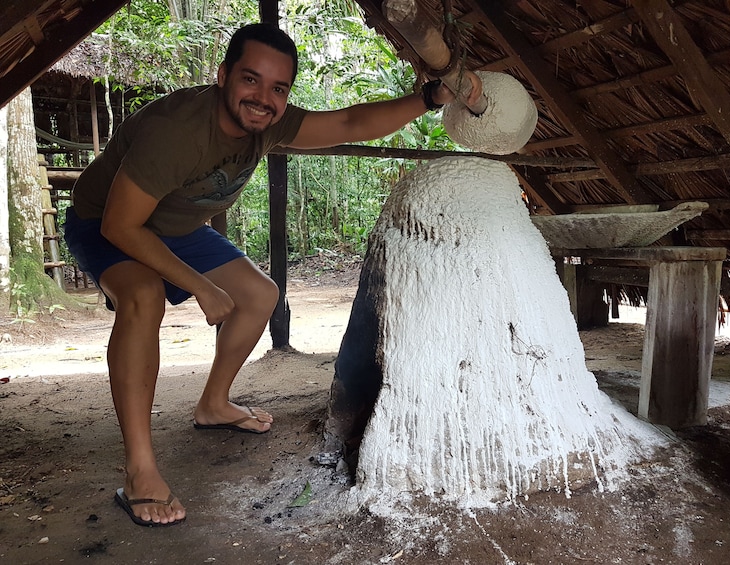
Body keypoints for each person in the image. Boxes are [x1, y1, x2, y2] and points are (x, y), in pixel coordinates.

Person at [64, 22, 481, 527]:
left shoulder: (270, 124)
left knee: (261, 294)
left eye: (278, 88)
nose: (263, 98)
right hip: (108, 221)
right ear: (223, 76)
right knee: (144, 298)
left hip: (175, 226)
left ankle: (213, 404)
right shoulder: (176, 131)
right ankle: (139, 471)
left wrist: (430, 98)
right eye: (250, 80)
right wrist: (200, 285)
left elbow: (348, 123)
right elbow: (121, 225)